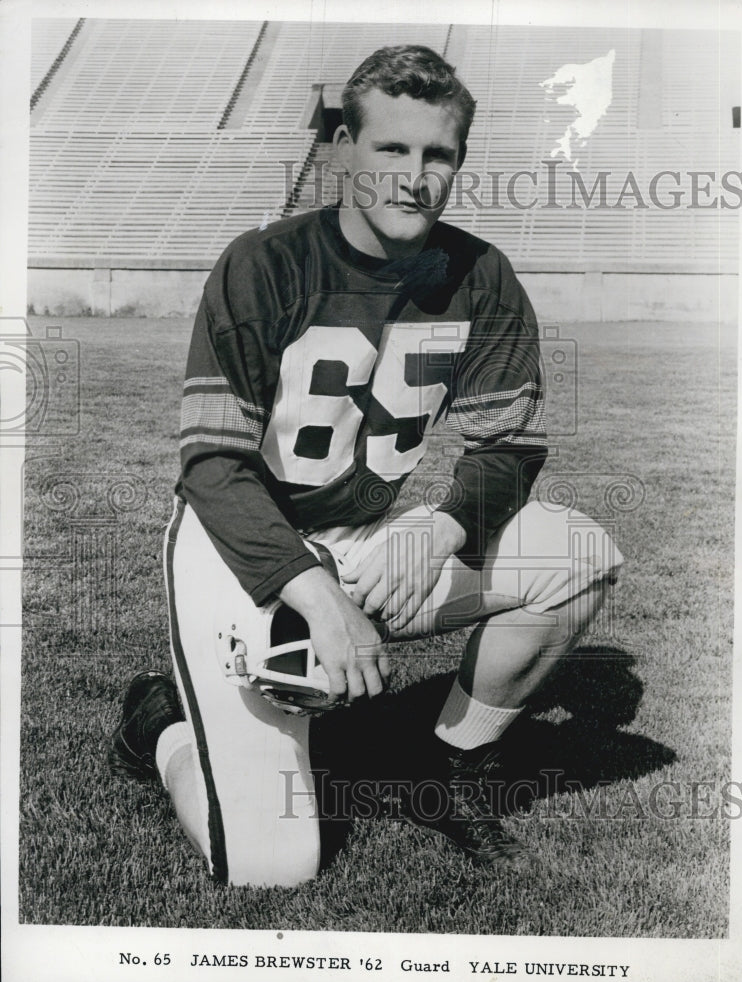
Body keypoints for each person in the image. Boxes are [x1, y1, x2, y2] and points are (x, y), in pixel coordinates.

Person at [109, 45, 623, 887]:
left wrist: (443, 529)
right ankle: (160, 721)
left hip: (372, 533)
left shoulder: (481, 276)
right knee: (272, 865)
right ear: (345, 148)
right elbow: (211, 465)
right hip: (243, 548)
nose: (415, 176)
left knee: (578, 556)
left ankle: (450, 767)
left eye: (438, 154)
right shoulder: (264, 264)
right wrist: (315, 599)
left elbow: (511, 446)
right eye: (391, 149)